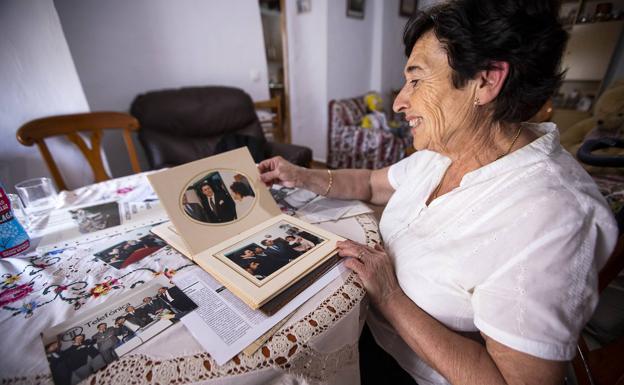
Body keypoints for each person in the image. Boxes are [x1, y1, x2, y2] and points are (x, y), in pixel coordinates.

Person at [257, 1, 618, 384]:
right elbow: (371, 183)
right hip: (369, 332)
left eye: (416, 79)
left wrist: (390, 296)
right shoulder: (444, 150)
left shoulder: (552, 215)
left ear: (486, 81)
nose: (398, 101)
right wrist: (299, 175)